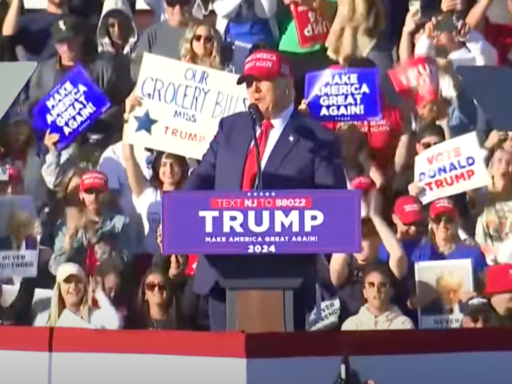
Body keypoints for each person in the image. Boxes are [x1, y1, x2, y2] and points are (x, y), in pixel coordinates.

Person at [183, 48, 346, 331]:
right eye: (248, 82)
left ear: (287, 85)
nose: (254, 89)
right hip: (222, 275)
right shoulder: (231, 127)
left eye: (262, 80)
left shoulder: (317, 138)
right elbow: (203, 176)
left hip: (285, 277)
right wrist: (179, 212)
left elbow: (332, 204)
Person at [49, 170, 134, 276]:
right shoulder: (66, 226)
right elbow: (55, 269)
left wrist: (104, 247)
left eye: (99, 192)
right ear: (81, 195)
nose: (94, 197)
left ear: (107, 194)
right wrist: (68, 243)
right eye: (89, 192)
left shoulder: (121, 223)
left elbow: (126, 261)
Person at [34, 262, 123, 328]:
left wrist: (98, 292)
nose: (73, 286)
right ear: (59, 287)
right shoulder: (44, 318)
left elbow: (115, 323)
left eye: (78, 282)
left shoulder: (93, 316)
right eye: (68, 281)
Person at [341, 265, 414, 330]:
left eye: (382, 285)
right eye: (371, 285)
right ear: (364, 292)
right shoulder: (351, 326)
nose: (376, 290)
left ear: (391, 291)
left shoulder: (403, 325)